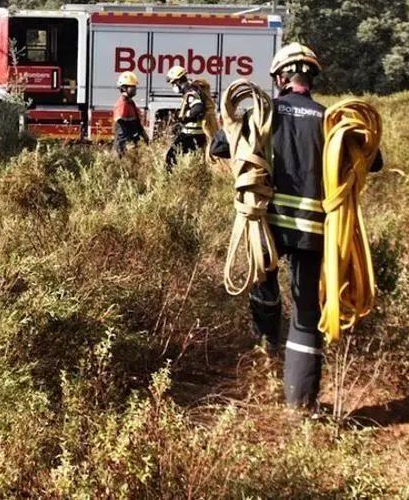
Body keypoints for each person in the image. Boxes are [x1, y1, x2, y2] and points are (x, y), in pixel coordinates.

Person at [209, 43, 383, 412]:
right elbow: (374, 159)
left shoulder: (259, 113)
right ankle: (300, 405)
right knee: (306, 316)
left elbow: (219, 146)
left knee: (263, 287)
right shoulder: (332, 121)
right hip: (315, 233)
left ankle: (265, 353)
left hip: (265, 229)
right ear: (312, 78)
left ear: (278, 78)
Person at [164, 66, 207, 169]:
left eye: (173, 83)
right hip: (197, 134)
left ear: (178, 81)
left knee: (170, 157)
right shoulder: (191, 89)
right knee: (193, 162)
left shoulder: (190, 92)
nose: (173, 86)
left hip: (191, 135)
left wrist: (184, 117)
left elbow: (198, 108)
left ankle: (169, 181)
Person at [112, 71, 148, 155]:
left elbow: (136, 123)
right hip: (123, 148)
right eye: (132, 86)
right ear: (124, 88)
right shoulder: (122, 103)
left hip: (132, 144)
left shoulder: (130, 102)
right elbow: (121, 129)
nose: (135, 89)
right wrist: (128, 144)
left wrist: (144, 135)